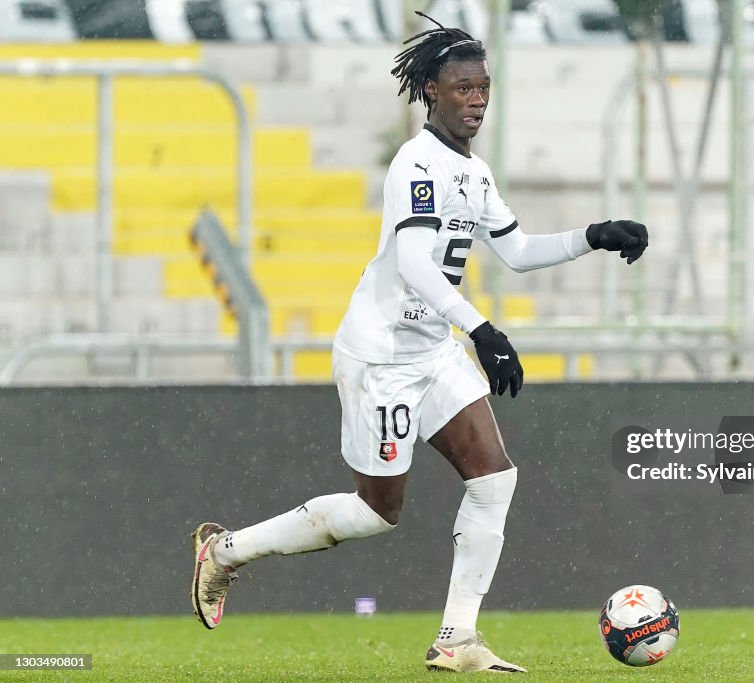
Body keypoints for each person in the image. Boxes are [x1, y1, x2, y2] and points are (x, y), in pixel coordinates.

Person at [189, 13, 648, 674]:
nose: (476, 99)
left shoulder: (474, 172)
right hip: (381, 357)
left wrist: (594, 235)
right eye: (462, 88)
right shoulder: (417, 163)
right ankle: (226, 550)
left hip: (432, 351)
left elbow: (515, 250)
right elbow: (413, 262)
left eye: (483, 87)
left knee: (494, 478)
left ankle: (458, 637)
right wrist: (481, 328)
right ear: (431, 90)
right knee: (378, 511)